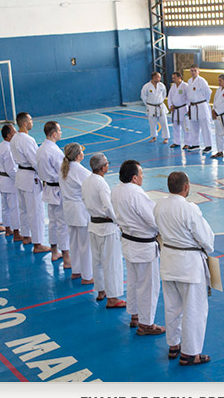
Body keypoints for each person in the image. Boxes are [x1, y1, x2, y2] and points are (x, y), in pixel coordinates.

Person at [154, 171, 214, 365]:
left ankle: (174, 345)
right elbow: (206, 239)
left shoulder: (159, 205)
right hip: (189, 265)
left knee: (172, 307)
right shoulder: (190, 209)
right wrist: (207, 248)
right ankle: (190, 354)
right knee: (194, 309)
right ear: (186, 187)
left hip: (168, 261)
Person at [111, 160, 165, 335]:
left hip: (128, 242)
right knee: (148, 285)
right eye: (141, 174)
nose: (142, 177)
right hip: (143, 245)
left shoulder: (116, 190)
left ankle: (135, 316)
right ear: (134, 178)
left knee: (133, 281)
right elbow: (152, 219)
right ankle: (146, 324)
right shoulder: (136, 193)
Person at [81, 153, 126, 308]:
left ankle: (101, 291)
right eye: (107, 163)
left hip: (93, 225)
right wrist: (118, 221)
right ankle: (112, 298)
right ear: (102, 167)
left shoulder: (86, 181)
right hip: (106, 227)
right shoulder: (101, 183)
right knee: (111, 263)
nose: (108, 165)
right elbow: (108, 206)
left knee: (97, 261)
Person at [10, 112, 50, 253]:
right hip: (30, 177)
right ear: (25, 123)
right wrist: (44, 177)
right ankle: (38, 244)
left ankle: (26, 236)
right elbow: (35, 161)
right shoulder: (27, 140)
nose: (32, 122)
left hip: (20, 175)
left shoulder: (14, 138)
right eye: (31, 120)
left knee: (24, 210)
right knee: (36, 212)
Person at [36, 121, 72, 265]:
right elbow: (63, 171)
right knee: (62, 224)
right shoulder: (54, 151)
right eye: (60, 131)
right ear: (54, 134)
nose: (61, 133)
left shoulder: (41, 148)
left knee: (53, 222)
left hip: (48, 188)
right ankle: (67, 257)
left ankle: (54, 251)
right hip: (57, 189)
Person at [59, 143, 93, 284]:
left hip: (68, 208)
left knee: (73, 241)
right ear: (78, 156)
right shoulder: (81, 171)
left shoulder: (63, 169)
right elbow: (91, 188)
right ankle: (87, 276)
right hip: (79, 208)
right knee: (85, 243)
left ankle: (76, 270)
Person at [0, 124, 22, 241]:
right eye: (14, 133)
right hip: (10, 181)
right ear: (9, 136)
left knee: (5, 207)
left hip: (2, 179)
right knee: (14, 208)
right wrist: (20, 180)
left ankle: (8, 229)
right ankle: (16, 233)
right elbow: (11, 170)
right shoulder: (9, 149)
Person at [187, 64, 213, 152]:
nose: (193, 72)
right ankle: (195, 144)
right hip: (192, 106)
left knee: (205, 126)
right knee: (193, 125)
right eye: (191, 70)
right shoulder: (189, 81)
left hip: (201, 105)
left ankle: (208, 145)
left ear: (198, 71)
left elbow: (208, 92)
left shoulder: (202, 80)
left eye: (195, 70)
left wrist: (205, 102)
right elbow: (189, 95)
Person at [141, 72, 170, 144]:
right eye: (158, 77)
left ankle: (166, 137)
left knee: (164, 123)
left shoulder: (162, 85)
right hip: (151, 107)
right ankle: (154, 137)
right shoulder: (146, 86)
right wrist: (148, 105)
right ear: (154, 77)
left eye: (160, 77)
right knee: (152, 123)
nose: (160, 78)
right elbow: (143, 97)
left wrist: (159, 101)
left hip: (160, 106)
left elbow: (164, 95)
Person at [167, 71, 189, 149]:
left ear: (179, 77)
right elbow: (169, 97)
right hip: (175, 109)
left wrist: (189, 109)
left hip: (183, 109)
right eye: (172, 78)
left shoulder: (185, 86)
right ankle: (177, 142)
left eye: (174, 78)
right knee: (175, 126)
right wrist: (170, 105)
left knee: (185, 127)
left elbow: (189, 98)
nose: (173, 79)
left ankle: (187, 143)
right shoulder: (173, 86)